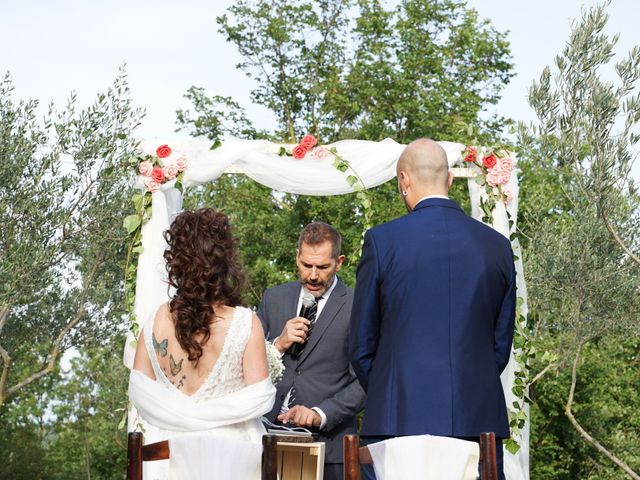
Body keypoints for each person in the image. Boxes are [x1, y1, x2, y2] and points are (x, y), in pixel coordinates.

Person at [349, 139, 516, 480]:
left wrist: (393, 388)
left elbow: (362, 346)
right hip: (477, 420)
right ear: (450, 181)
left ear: (404, 181)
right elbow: (500, 346)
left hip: (398, 422)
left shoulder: (382, 241)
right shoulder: (497, 246)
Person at [129, 208, 276, 480]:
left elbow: (139, 391)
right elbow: (261, 397)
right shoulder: (245, 323)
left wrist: (184, 413)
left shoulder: (154, 321)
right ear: (224, 260)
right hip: (235, 458)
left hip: (168, 455)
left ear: (177, 261)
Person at [257, 222, 366, 480]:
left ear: (339, 262)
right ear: (297, 257)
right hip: (267, 439)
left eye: (323, 267)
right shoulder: (273, 298)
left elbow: (366, 380)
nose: (313, 275)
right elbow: (243, 366)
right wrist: (278, 344)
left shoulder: (358, 305)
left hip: (331, 448)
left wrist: (320, 414)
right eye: (307, 265)